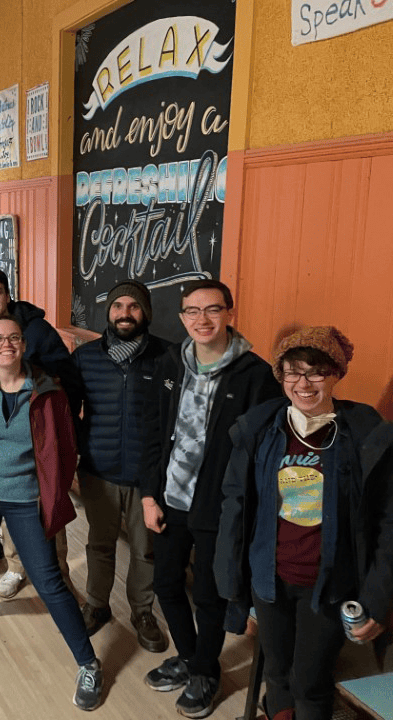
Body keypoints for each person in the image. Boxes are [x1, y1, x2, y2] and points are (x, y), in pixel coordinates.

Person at [214, 327, 393, 720]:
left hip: (327, 587)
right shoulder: (260, 430)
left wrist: (379, 599)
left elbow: (387, 522)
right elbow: (235, 508)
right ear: (280, 376)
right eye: (293, 372)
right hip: (270, 582)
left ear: (336, 375)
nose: (304, 383)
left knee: (310, 682)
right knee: (276, 676)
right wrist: (232, 590)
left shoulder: (364, 435)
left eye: (316, 372)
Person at [0, 316, 104, 711]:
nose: (6, 344)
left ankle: (88, 662)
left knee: (49, 582)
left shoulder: (48, 392)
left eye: (13, 338)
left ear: (23, 344)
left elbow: (66, 450)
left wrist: (53, 491)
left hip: (27, 499)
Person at [140, 279, 281, 719]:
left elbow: (264, 452)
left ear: (229, 314)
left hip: (220, 507)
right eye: (192, 312)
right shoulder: (169, 365)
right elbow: (152, 436)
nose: (202, 320)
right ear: (181, 317)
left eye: (212, 310)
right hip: (170, 497)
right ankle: (189, 657)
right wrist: (149, 494)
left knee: (210, 595)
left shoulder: (255, 375)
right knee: (165, 583)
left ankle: (206, 671)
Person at [70, 280, 169, 652]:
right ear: (108, 312)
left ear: (145, 313)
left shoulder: (166, 357)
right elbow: (69, 411)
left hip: (149, 475)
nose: (125, 313)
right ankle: (97, 604)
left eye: (133, 306)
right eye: (117, 306)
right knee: (99, 544)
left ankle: (142, 611)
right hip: (99, 471)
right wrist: (82, 450)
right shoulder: (86, 357)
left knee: (145, 550)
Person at [0, 266, 75, 598]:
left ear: (8, 295)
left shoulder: (37, 330)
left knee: (45, 505)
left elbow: (64, 373)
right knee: (7, 502)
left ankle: (60, 579)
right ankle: (15, 566)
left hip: (35, 436)